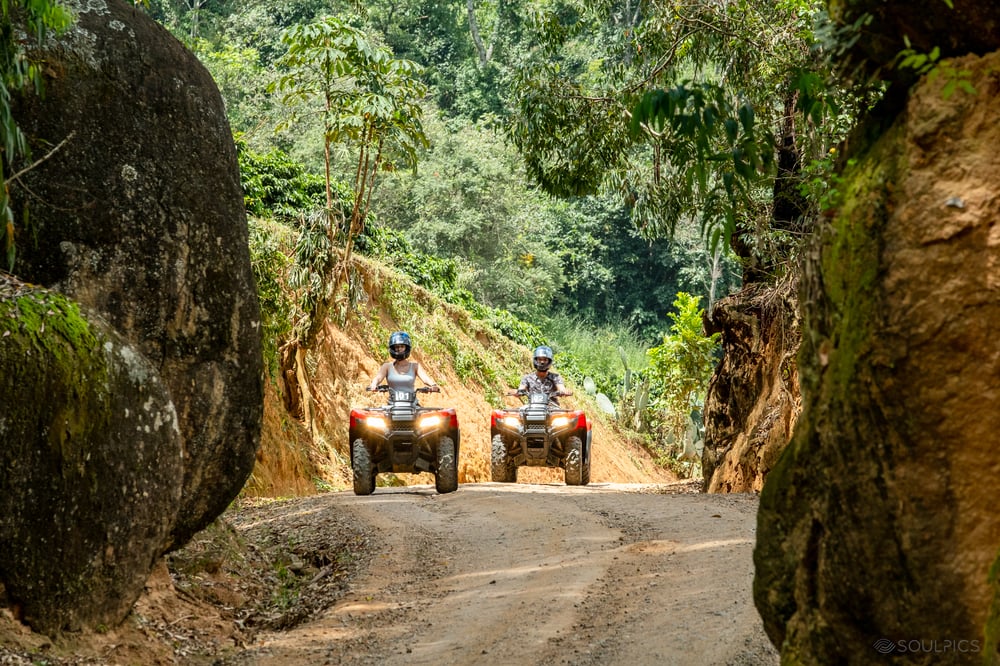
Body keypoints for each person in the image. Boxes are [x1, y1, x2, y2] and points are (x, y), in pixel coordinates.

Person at [368, 331, 440, 394]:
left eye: (402, 346)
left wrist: (433, 385)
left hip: (412, 403)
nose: (399, 349)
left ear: (406, 348)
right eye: (396, 347)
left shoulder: (415, 366)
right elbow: (378, 378)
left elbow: (425, 379)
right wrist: (374, 384)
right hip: (393, 404)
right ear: (393, 348)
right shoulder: (387, 366)